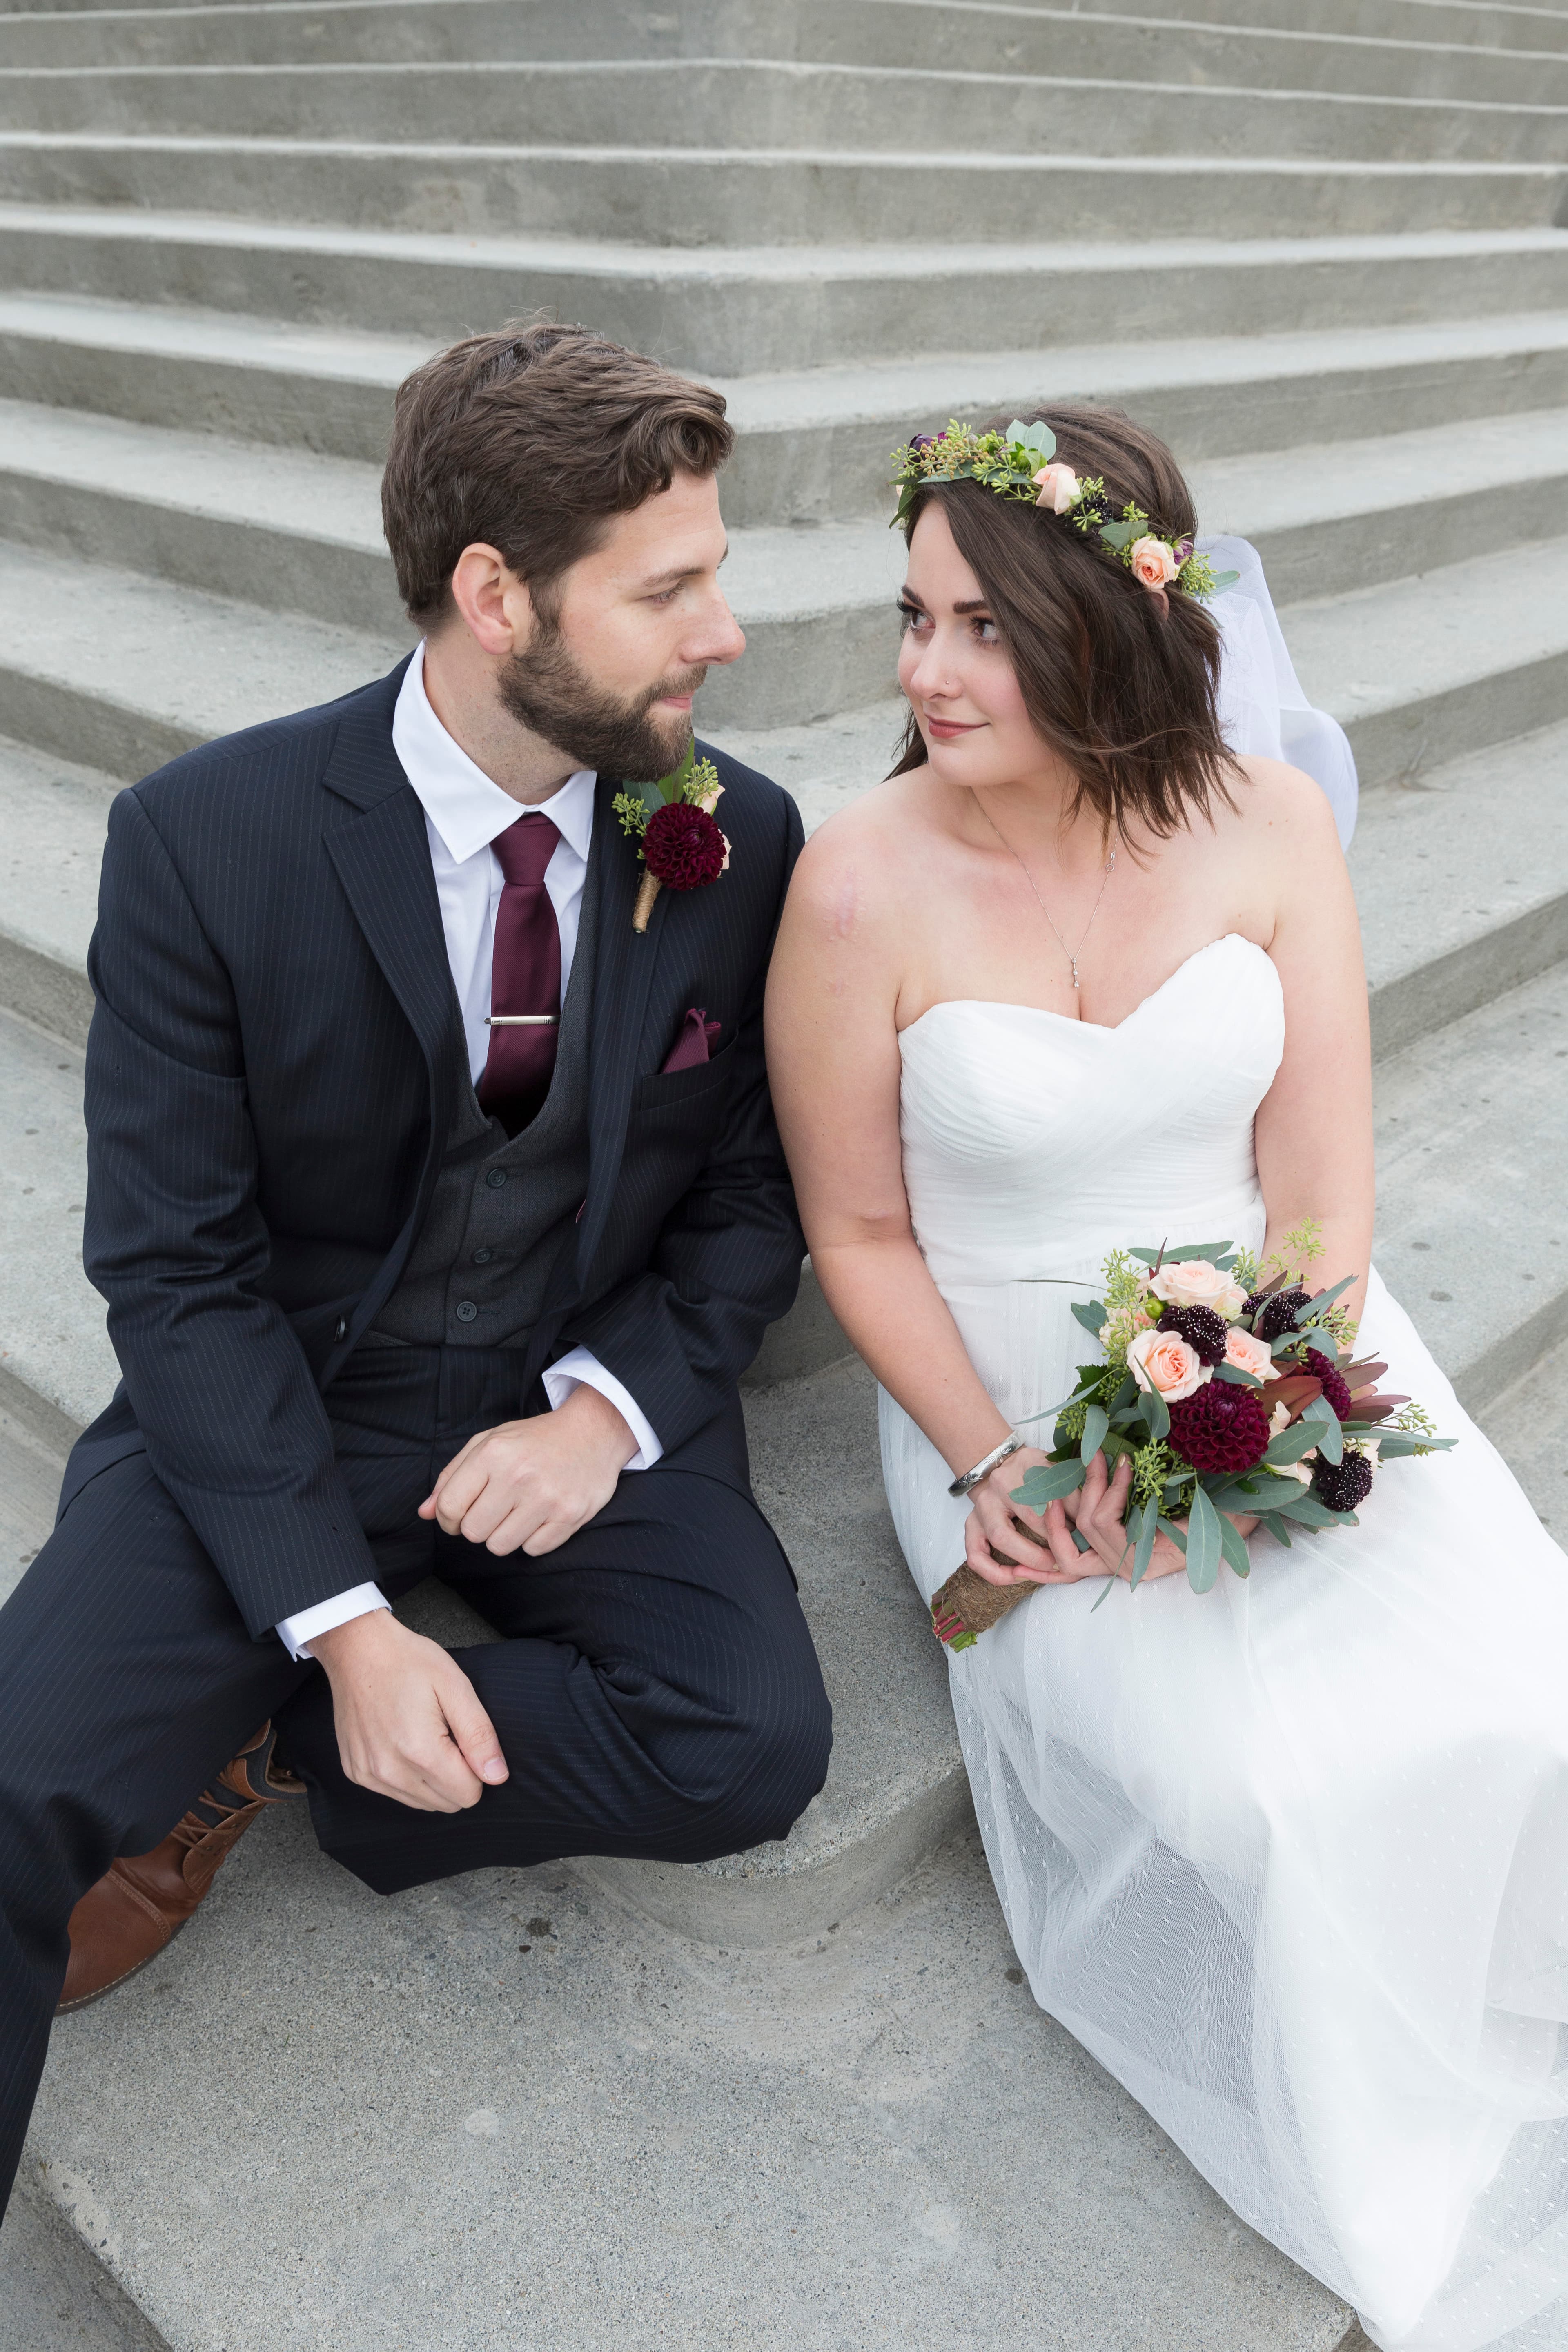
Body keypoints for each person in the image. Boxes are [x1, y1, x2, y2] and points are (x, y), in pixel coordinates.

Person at [0, 321, 833, 2217]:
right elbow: (174, 1269)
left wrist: (607, 1415)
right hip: (297, 1387)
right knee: (12, 1778)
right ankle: (307, 1674)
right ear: (493, 595)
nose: (726, 632)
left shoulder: (736, 838)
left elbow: (753, 1199)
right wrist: (347, 1621)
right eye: (672, 587)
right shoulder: (208, 841)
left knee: (750, 1742)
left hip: (569, 1384)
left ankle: (277, 1750)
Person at [765, 403, 1568, 2352]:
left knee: (1520, 1689)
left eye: (980, 628)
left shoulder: (1271, 825)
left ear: (1108, 629)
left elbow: (1320, 1191)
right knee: (1253, 1792)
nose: (922, 671)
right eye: (913, 617)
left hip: (1278, 1341)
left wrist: (1262, 1388)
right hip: (1010, 1378)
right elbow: (861, 1239)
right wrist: (1004, 1464)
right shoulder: (856, 885)